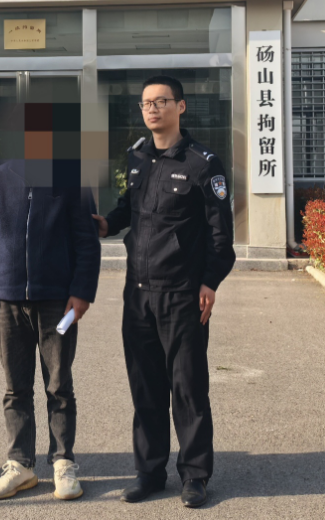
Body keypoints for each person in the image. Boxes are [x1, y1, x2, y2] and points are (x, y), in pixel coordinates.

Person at [93, 75, 235, 508]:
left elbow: (220, 235)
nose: (152, 109)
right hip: (137, 294)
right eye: (146, 103)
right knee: (146, 388)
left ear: (181, 107)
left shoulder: (202, 163)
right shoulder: (138, 157)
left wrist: (210, 281)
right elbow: (129, 208)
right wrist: (107, 224)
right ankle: (150, 472)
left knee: (188, 388)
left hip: (182, 295)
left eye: (161, 101)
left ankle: (195, 475)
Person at [0, 161, 101, 501]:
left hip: (58, 302)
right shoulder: (1, 177)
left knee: (59, 385)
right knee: (15, 388)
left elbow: (87, 242)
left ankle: (63, 462)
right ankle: (20, 465)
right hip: (8, 302)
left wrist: (82, 292)